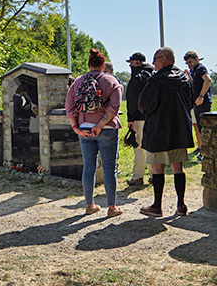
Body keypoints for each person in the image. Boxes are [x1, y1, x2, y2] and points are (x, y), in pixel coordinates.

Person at [66, 48, 123, 217]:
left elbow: (69, 107)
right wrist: (100, 125)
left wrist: (76, 128)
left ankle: (89, 205)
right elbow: (114, 108)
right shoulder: (111, 81)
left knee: (88, 167)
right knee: (109, 168)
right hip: (106, 130)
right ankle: (112, 208)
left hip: (84, 130)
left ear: (89, 64)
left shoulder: (77, 82)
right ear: (103, 65)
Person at [138, 47, 194, 217]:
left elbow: (144, 104)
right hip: (180, 129)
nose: (153, 63)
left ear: (164, 59)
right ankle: (181, 205)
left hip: (159, 129)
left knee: (157, 166)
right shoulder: (185, 78)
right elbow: (190, 102)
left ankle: (157, 206)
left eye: (155, 59)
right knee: (178, 166)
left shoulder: (156, 80)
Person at [124, 52, 154, 186]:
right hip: (152, 116)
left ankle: (138, 176)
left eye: (131, 62)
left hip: (139, 117)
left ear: (138, 63)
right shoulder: (153, 75)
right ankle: (155, 175)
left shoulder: (137, 77)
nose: (130, 65)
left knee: (139, 147)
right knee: (151, 147)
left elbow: (132, 100)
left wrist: (131, 118)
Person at [183, 51, 212, 154]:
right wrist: (188, 75)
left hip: (202, 104)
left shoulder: (200, 68)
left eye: (190, 61)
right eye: (187, 63)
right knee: (200, 129)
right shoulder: (195, 70)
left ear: (196, 59)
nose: (189, 64)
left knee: (204, 130)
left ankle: (206, 151)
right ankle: (203, 151)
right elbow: (195, 84)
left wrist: (201, 96)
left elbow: (208, 80)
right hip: (196, 103)